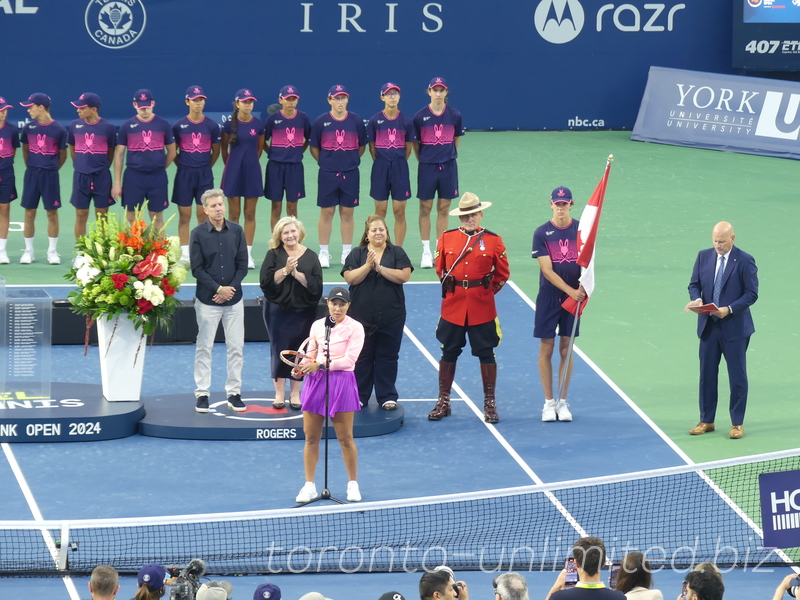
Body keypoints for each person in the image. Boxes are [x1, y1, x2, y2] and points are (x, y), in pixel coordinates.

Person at [430, 192, 509, 423]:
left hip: (482, 307)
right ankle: (443, 401)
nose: (469, 219)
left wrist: (484, 292)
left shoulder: (494, 240)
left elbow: (502, 274)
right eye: (465, 216)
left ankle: (490, 403)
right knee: (449, 351)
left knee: (486, 352)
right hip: (453, 306)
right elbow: (440, 269)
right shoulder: (447, 238)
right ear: (459, 218)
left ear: (481, 214)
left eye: (473, 214)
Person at [685, 221, 758, 439]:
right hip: (708, 327)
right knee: (706, 375)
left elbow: (751, 294)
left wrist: (729, 309)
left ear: (732, 239)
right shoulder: (703, 256)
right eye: (715, 241)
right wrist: (696, 299)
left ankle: (737, 423)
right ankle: (706, 420)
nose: (718, 245)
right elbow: (694, 284)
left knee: (737, 377)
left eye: (722, 241)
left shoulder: (745, 261)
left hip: (735, 329)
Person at [294, 286, 365, 504]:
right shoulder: (317, 326)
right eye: (334, 303)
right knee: (311, 437)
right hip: (316, 382)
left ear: (348, 306)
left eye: (342, 304)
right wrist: (303, 366)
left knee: (345, 439)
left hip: (342, 382)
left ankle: (352, 484)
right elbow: (310, 354)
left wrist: (319, 365)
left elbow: (348, 361)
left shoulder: (356, 328)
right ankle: (309, 486)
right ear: (328, 303)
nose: (338, 308)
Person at [343, 214, 412, 409]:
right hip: (361, 318)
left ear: (386, 232)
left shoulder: (397, 252)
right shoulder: (357, 254)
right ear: (367, 234)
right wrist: (367, 266)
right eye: (374, 230)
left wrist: (380, 268)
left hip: (392, 317)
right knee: (363, 356)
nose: (378, 232)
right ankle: (360, 396)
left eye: (381, 229)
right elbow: (350, 278)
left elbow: (404, 276)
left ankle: (387, 396)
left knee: (388, 356)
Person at [190, 188, 249, 413]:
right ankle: (202, 393)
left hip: (234, 301)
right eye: (213, 205)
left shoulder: (236, 231)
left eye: (220, 204)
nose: (218, 209)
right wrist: (217, 288)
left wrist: (229, 289)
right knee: (204, 347)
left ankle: (234, 393)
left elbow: (242, 264)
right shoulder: (197, 233)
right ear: (205, 209)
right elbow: (197, 269)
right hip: (207, 302)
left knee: (236, 347)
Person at [532, 186, 586, 423]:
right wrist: (571, 292)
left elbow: (589, 263)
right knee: (547, 349)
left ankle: (562, 402)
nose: (561, 207)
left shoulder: (582, 231)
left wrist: (584, 287)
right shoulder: (542, 233)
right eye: (557, 204)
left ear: (571, 204)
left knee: (566, 348)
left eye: (565, 204)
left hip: (574, 298)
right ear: (551, 204)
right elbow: (547, 269)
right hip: (549, 298)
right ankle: (548, 403)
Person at [259, 216, 323, 410]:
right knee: (278, 349)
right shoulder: (273, 254)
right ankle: (279, 394)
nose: (290, 235)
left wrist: (296, 273)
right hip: (278, 311)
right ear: (280, 236)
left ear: (299, 233)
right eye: (285, 233)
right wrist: (286, 270)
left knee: (300, 351)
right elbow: (267, 282)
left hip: (304, 312)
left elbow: (315, 286)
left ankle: (295, 394)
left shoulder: (311, 256)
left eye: (292, 231)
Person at [309, 84, 367, 268]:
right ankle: (324, 252)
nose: (340, 101)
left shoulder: (356, 121)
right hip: (327, 173)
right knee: (327, 213)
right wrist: (326, 163)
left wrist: (349, 162)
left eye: (343, 98)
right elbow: (314, 148)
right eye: (336, 98)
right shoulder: (320, 122)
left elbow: (361, 147)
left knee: (347, 214)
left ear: (347, 100)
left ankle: (347, 252)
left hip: (350, 173)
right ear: (329, 100)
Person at [413, 77, 465, 269]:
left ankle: (439, 250)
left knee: (444, 208)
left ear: (446, 93)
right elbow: (416, 145)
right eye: (435, 90)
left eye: (441, 90)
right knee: (425, 208)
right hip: (427, 167)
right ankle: (426, 251)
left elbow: (456, 140)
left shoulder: (455, 116)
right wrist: (426, 160)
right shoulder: (419, 117)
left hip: (448, 167)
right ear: (429, 92)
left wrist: (447, 155)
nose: (438, 94)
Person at [112, 88, 177, 230]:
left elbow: (172, 152)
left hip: (157, 177)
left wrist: (159, 167)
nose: (145, 110)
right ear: (134, 105)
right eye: (141, 107)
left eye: (147, 107)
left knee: (156, 216)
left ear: (153, 103)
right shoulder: (127, 126)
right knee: (131, 216)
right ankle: (137, 249)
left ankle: (158, 250)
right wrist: (117, 183)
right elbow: (119, 155)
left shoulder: (163, 125)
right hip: (133, 177)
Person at [172, 85, 221, 263]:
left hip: (204, 175)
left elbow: (215, 152)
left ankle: (201, 250)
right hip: (184, 175)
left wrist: (204, 167)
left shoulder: (212, 126)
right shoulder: (179, 126)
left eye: (201, 100)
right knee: (184, 215)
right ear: (187, 102)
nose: (198, 103)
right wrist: (184, 165)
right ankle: (185, 253)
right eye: (194, 100)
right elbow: (173, 151)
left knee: (203, 215)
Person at [19, 92, 67, 265]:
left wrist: (51, 169)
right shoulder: (28, 128)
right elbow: (25, 150)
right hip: (32, 174)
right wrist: (32, 167)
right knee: (29, 212)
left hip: (50, 175)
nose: (28, 110)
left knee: (51, 213)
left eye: (30, 107)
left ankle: (52, 252)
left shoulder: (59, 130)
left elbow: (63, 155)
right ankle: (29, 251)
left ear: (41, 107)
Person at [367, 82, 416, 246]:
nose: (392, 97)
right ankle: (378, 246)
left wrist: (397, 162)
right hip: (380, 167)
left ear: (399, 97)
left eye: (395, 93)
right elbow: (372, 147)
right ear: (382, 97)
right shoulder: (374, 121)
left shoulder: (407, 122)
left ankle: (398, 249)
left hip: (400, 167)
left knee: (399, 211)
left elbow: (408, 149)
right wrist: (383, 162)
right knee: (380, 211)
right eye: (389, 94)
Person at [221, 88, 265, 269]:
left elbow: (259, 150)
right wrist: (233, 166)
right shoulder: (227, 126)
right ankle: (233, 253)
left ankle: (247, 254)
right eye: (245, 102)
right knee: (233, 214)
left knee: (249, 213)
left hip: (252, 173)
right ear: (237, 104)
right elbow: (224, 151)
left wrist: (249, 164)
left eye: (250, 102)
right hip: (233, 172)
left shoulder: (259, 125)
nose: (248, 105)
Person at [68, 92, 117, 240]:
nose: (78, 110)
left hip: (101, 177)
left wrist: (100, 166)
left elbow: (111, 152)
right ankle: (81, 252)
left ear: (94, 109)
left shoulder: (108, 128)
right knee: (81, 215)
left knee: (102, 217)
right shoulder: (74, 125)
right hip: (80, 176)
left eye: (82, 107)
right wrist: (80, 165)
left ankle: (102, 252)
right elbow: (72, 148)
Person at [264, 85, 311, 230]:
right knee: (276, 207)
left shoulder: (303, 118)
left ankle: (294, 239)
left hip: (295, 168)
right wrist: (271, 153)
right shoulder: (273, 119)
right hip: (275, 167)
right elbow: (263, 140)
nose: (291, 102)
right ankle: (276, 242)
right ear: (280, 100)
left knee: (292, 207)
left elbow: (308, 139)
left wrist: (298, 152)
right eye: (287, 99)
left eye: (294, 99)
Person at [545, 536, 625, 600]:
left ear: (576, 563)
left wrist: (556, 587)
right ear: (603, 562)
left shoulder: (559, 597)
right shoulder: (619, 597)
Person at [0, 95, 19, 264]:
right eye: (0, 110)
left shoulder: (12, 130)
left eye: (5, 110)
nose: (3, 113)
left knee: (4, 209)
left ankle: (2, 250)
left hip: (6, 174)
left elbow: (13, 152)